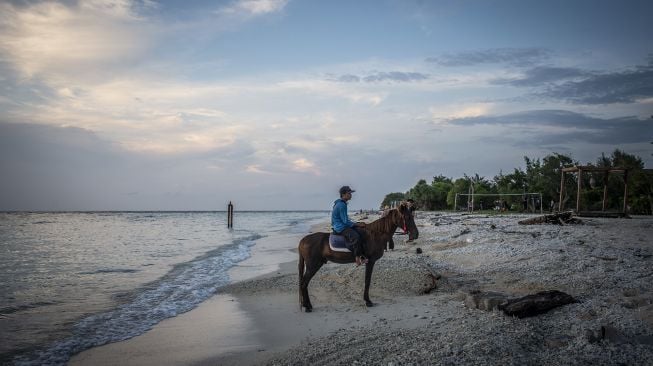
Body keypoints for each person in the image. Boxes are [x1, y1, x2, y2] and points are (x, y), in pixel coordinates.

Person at [332, 186, 367, 265]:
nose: (351, 195)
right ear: (343, 194)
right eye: (349, 193)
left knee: (360, 231)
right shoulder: (341, 205)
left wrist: (356, 223)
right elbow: (345, 221)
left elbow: (345, 218)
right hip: (340, 227)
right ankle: (358, 257)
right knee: (356, 237)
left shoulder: (340, 203)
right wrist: (357, 224)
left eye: (351, 193)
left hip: (341, 224)